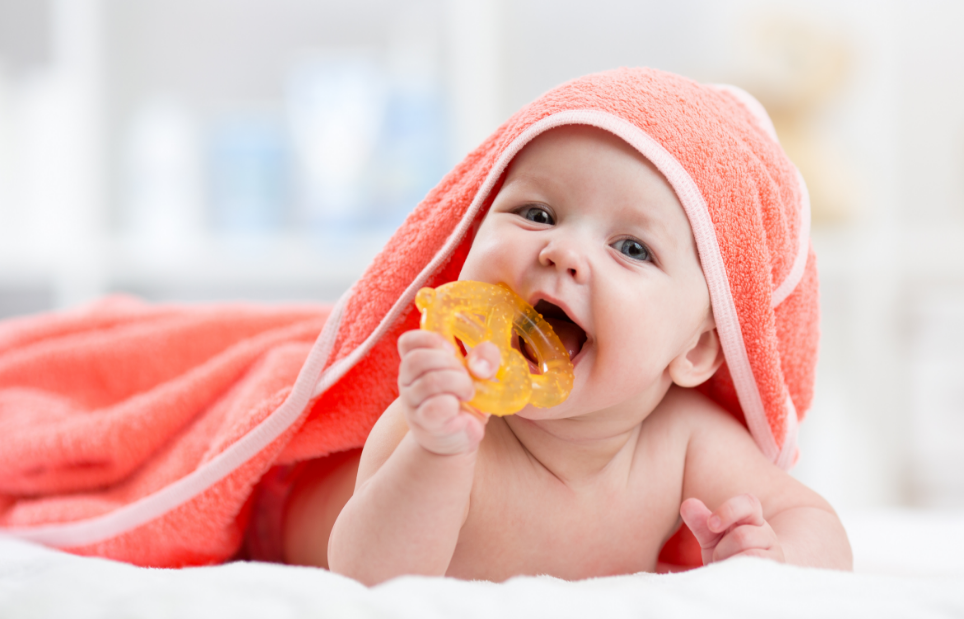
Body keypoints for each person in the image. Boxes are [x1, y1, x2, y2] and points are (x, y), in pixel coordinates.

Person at [280, 70, 852, 583]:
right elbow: (365, 577)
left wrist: (774, 558)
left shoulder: (682, 442)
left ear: (697, 351)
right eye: (537, 214)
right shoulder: (443, 409)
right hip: (287, 503)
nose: (564, 251)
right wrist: (436, 457)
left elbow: (814, 523)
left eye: (631, 248)